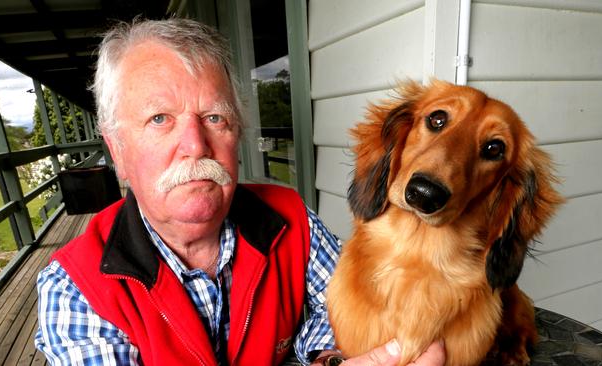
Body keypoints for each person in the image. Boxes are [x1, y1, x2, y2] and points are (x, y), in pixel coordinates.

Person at [34, 18, 445, 366]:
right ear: (117, 151)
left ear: (237, 136)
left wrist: (327, 356)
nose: (195, 144)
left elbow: (350, 304)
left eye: (214, 117)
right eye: (159, 119)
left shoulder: (290, 218)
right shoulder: (77, 288)